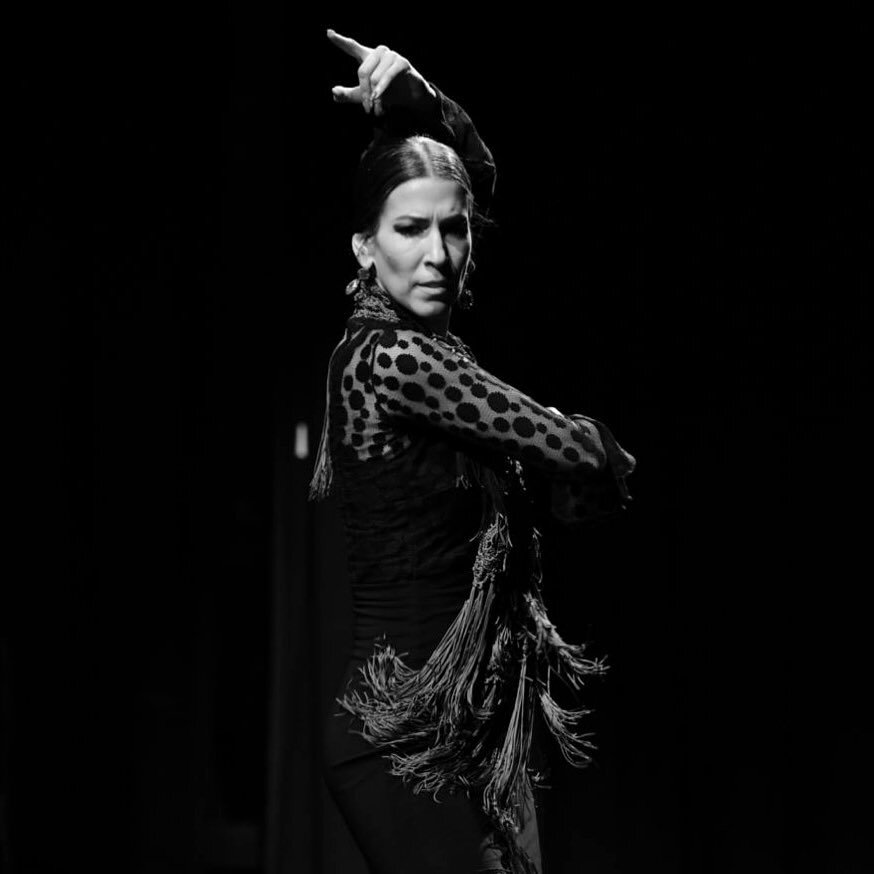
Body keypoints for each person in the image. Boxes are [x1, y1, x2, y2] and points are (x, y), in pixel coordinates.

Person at [312, 29, 636, 874]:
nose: (437, 254)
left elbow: (477, 178)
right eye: (409, 229)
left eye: (453, 232)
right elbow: (564, 445)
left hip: (475, 729)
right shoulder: (394, 360)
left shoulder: (431, 350)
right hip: (399, 734)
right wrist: (596, 449)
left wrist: (419, 101)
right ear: (363, 246)